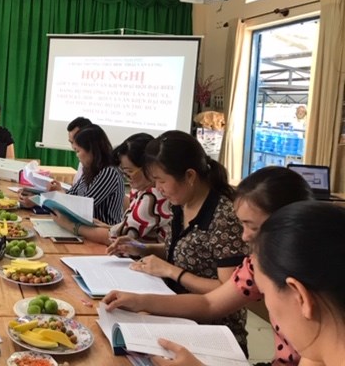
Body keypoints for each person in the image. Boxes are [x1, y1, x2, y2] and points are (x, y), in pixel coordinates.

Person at [104, 166, 313, 365]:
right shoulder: (257, 264)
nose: (245, 236)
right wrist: (140, 301)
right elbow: (209, 303)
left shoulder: (315, 288)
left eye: (253, 227)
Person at [145, 201, 343, 366]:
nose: (244, 236)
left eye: (264, 293)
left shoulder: (314, 344)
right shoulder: (319, 346)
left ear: (300, 298)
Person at [107, 130, 249, 352]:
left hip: (211, 332)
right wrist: (142, 248)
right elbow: (181, 251)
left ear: (190, 176)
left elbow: (229, 289)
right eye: (155, 181)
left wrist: (172, 272)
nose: (158, 188)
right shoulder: (181, 204)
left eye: (162, 181)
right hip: (173, 312)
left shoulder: (224, 217)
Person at [47, 125, 125, 227]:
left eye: (78, 151)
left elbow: (83, 207)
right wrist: (59, 190)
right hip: (84, 228)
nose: (77, 155)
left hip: (102, 231)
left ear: (92, 151)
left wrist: (60, 195)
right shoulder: (90, 170)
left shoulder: (109, 172)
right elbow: (73, 195)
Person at [67, 116, 92, 185]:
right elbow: (76, 185)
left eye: (76, 142)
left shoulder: (103, 169)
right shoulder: (82, 158)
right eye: (71, 142)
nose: (73, 147)